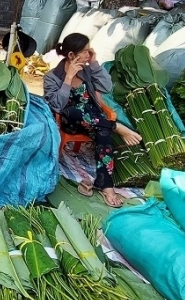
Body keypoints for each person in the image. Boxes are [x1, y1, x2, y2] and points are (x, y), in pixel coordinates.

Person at [43, 33, 142, 208]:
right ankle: (115, 127)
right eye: (85, 51)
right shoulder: (52, 77)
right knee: (73, 111)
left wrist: (95, 64)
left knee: (103, 133)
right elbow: (57, 106)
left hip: (95, 120)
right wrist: (67, 79)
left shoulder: (88, 70)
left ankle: (106, 185)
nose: (89, 54)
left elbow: (106, 87)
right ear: (72, 55)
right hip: (71, 121)